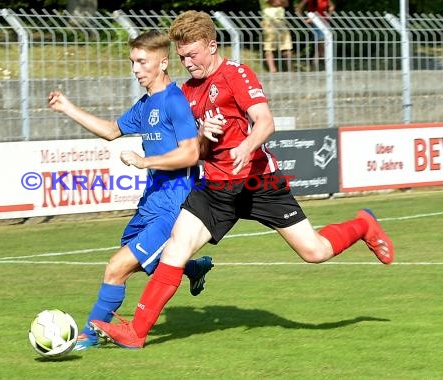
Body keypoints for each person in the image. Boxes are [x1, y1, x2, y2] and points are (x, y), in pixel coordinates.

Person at [90, 10, 394, 349]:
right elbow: (200, 152)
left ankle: (364, 225)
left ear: (212, 45)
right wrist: (205, 136)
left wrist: (248, 145)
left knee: (315, 251)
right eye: (181, 57)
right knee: (177, 248)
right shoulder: (187, 93)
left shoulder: (236, 73)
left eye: (192, 54)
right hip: (217, 189)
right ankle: (137, 331)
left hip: (258, 183)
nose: (187, 62)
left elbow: (265, 121)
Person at [48, 30, 214, 351]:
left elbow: (191, 152)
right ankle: (194, 268)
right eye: (132, 62)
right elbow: (112, 131)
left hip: (178, 207)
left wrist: (144, 160)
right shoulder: (146, 104)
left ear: (163, 62)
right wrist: (68, 107)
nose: (136, 69)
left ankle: (89, 334)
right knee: (143, 263)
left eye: (142, 62)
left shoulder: (175, 102)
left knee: (117, 266)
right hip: (151, 203)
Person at [295, 0, 335, 70]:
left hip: (325, 23)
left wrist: (328, 16)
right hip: (316, 24)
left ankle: (314, 69)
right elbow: (298, 9)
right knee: (323, 49)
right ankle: (329, 69)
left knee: (319, 50)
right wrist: (305, 20)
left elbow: (332, 6)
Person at [260, 0, 293, 73]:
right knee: (269, 47)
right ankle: (272, 70)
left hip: (281, 21)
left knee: (287, 46)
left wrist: (280, 2)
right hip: (269, 21)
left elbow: (287, 3)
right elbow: (274, 3)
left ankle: (291, 70)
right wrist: (281, 2)